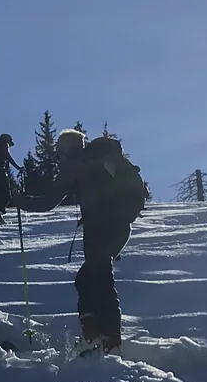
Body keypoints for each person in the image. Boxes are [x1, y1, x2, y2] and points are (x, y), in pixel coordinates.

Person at [16, 129, 148, 354]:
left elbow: (49, 201)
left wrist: (20, 201)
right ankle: (99, 335)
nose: (59, 159)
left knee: (98, 279)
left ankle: (104, 338)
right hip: (121, 227)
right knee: (90, 277)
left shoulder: (77, 165)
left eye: (59, 153)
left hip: (99, 226)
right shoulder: (99, 161)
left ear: (66, 150)